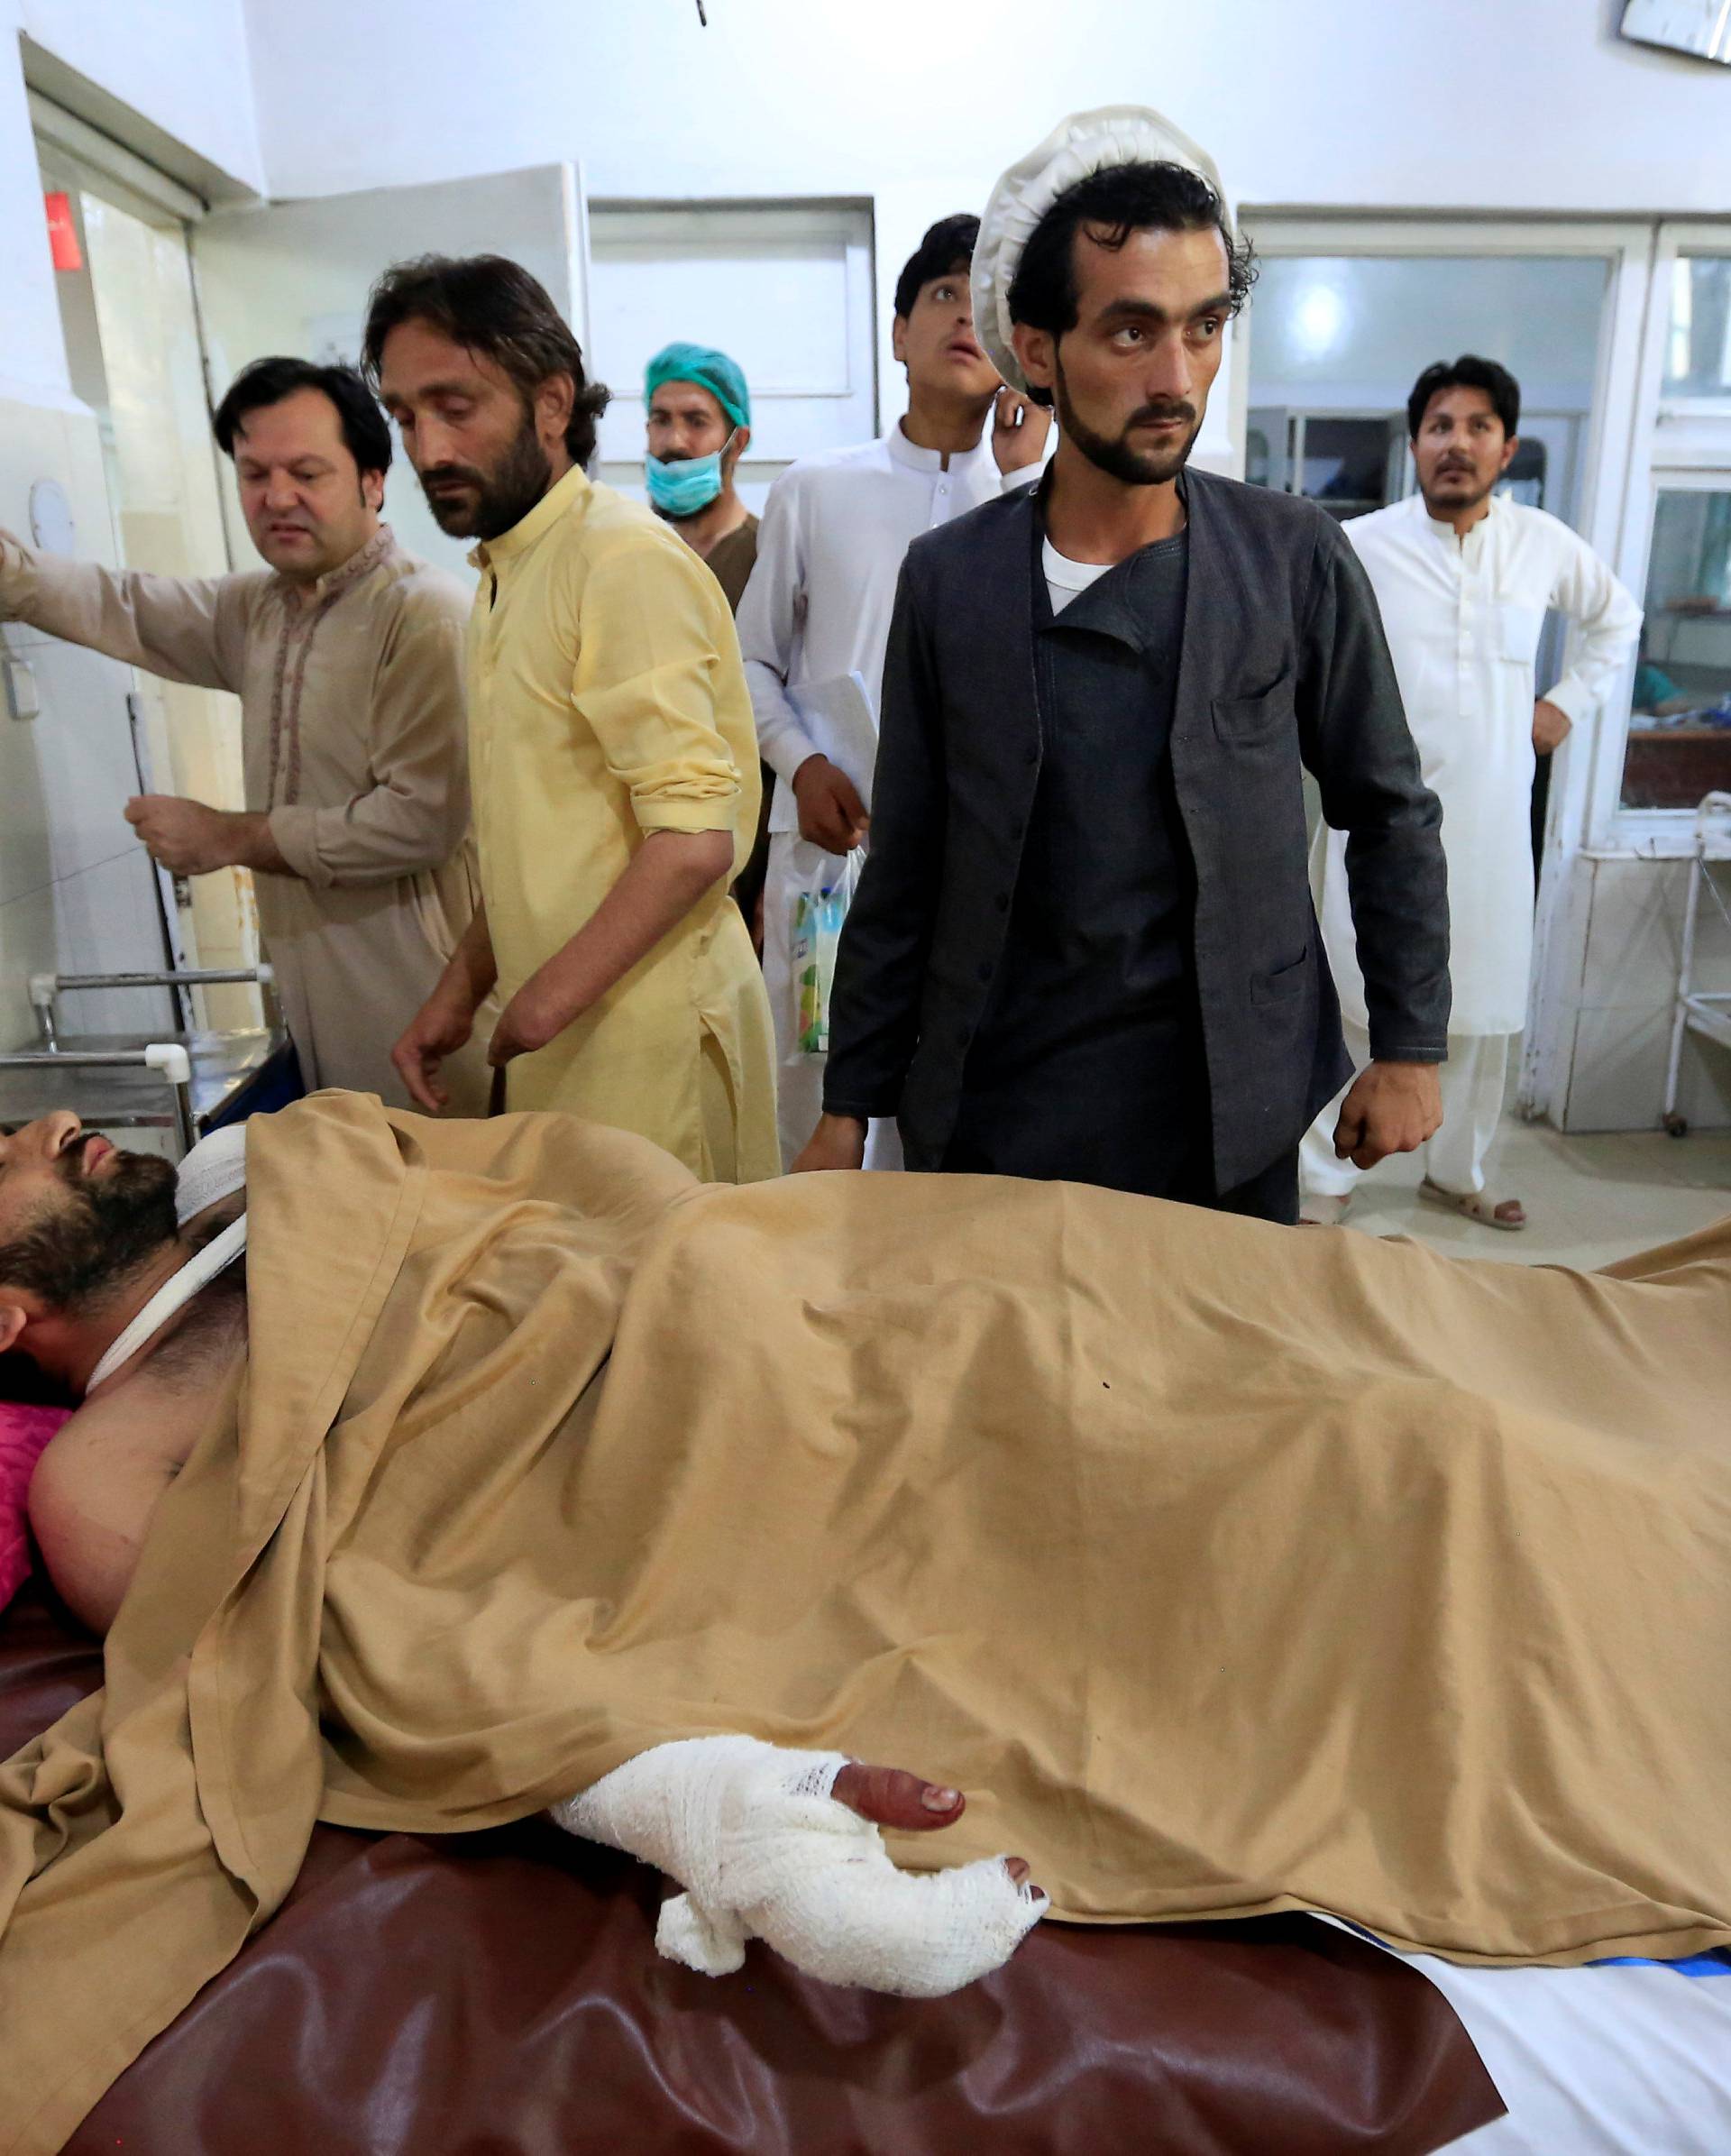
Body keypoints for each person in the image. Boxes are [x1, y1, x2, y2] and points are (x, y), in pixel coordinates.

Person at [5, 1085, 1730, 2145]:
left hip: (791, 1282)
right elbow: (314, 1636)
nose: (47, 1129)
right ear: (9, 1316)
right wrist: (665, 1779)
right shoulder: (104, 1469)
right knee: (1383, 1463)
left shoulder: (285, 1175)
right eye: (9, 1158)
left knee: (1325, 1323)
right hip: (686, 1456)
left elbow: (596, 1188)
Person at [795, 111, 1450, 1223]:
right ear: (1039, 348)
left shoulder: (1288, 558)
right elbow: (908, 865)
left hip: (1221, 1100)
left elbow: (1386, 808)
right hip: (998, 1101)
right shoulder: (951, 582)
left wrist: (1409, 1043)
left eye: (1204, 328)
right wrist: (848, 1106)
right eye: (1132, 333)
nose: (1177, 377)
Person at [366, 256, 777, 1183]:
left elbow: (694, 839)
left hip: (648, 1039)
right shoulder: (508, 574)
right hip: (574, 1032)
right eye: (404, 416)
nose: (427, 448)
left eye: (455, 406)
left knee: (680, 1312)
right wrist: (462, 990)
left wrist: (539, 1005)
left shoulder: (617, 561)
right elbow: (538, 838)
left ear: (552, 404)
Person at [0, 358, 487, 1108]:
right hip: (315, 991)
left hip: (421, 996)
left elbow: (420, 823)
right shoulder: (260, 608)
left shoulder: (423, 613)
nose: (277, 497)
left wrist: (228, 837)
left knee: (454, 1198)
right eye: (255, 473)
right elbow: (129, 606)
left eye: (306, 472)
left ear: (373, 479)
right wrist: (16, 575)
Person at [736, 213, 1052, 1169]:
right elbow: (747, 661)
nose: (964, 317)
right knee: (821, 1096)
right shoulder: (818, 488)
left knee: (956, 1116)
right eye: (943, 295)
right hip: (834, 853)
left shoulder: (1040, 504)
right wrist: (801, 767)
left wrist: (1020, 483)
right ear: (899, 334)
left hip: (977, 873)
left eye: (986, 303)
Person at [1300, 357, 1642, 1231]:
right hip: (1376, 822)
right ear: (1413, 444)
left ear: (1507, 446)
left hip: (1490, 826)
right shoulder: (1364, 544)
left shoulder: (1542, 544)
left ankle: (1459, 1173)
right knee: (1353, 995)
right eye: (1440, 427)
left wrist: (1562, 706)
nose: (1457, 443)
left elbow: (1618, 619)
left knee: (1480, 1010)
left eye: (1477, 427)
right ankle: (1323, 1183)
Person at [642, 341, 773, 942]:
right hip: (652, 848)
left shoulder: (768, 555)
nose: (675, 441)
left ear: (736, 440)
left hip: (750, 849)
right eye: (661, 419)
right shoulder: (635, 560)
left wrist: (775, 880)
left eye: (697, 421)